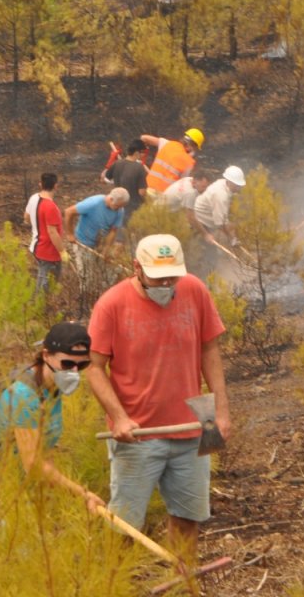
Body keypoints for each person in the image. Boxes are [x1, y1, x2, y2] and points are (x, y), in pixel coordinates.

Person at [84, 234, 230, 557]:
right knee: (123, 524)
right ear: (136, 267)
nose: (166, 283)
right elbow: (94, 368)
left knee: (188, 517)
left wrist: (221, 411)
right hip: (139, 433)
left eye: (172, 276)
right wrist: (120, 418)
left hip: (192, 426)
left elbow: (210, 349)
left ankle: (183, 584)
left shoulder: (194, 290)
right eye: (158, 277)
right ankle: (115, 585)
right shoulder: (112, 304)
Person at [0, 322, 97, 504]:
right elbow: (34, 465)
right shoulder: (23, 396)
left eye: (82, 366)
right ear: (46, 356)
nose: (74, 371)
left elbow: (45, 450)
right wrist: (82, 494)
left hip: (17, 487)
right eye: (67, 363)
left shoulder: (52, 389)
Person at [24, 173, 68, 293]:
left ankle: (40, 306)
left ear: (40, 184)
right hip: (48, 252)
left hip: (36, 247)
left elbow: (26, 217)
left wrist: (38, 224)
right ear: (56, 186)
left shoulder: (33, 198)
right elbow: (52, 233)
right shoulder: (50, 207)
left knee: (43, 279)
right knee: (46, 287)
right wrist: (62, 251)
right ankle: (39, 309)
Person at [193, 166, 246, 246]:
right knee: (209, 250)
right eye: (237, 185)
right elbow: (220, 223)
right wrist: (232, 238)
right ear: (230, 182)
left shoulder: (223, 182)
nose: (239, 188)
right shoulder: (220, 195)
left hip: (207, 216)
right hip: (200, 222)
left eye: (239, 185)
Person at [142, 129, 202, 196]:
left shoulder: (167, 144)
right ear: (191, 146)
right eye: (195, 149)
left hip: (147, 189)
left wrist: (141, 160)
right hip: (164, 197)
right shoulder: (189, 162)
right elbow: (182, 185)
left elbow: (144, 138)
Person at [105, 140, 150, 224]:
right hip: (134, 209)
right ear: (137, 152)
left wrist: (110, 162)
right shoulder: (139, 168)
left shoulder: (117, 164)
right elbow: (142, 192)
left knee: (119, 230)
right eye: (143, 152)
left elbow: (105, 178)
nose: (143, 155)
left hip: (118, 205)